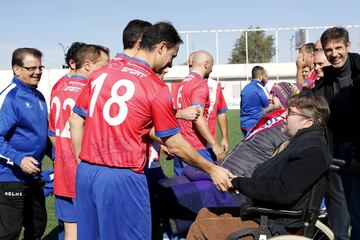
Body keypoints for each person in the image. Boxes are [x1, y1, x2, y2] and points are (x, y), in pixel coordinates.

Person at [69, 21, 234, 240]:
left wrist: (82, 161)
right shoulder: (154, 86)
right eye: (172, 56)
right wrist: (211, 169)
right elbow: (175, 143)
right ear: (161, 47)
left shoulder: (101, 74)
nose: (170, 64)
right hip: (123, 176)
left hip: (87, 173)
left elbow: (75, 119)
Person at [157, 82, 300, 237]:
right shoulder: (270, 119)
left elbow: (273, 169)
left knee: (172, 196)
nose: (269, 97)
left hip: (234, 183)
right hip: (224, 171)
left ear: (286, 101)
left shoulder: (287, 129)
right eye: (271, 93)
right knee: (163, 188)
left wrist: (241, 183)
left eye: (274, 95)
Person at [186, 92, 332, 240]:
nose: (284, 116)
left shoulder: (312, 151)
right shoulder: (303, 144)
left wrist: (239, 184)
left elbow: (283, 193)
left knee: (200, 230)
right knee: (205, 213)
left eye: (290, 112)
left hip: (276, 224)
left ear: (308, 122)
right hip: (266, 213)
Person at [48, 44, 109, 240]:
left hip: (62, 170)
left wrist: (64, 155)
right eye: (104, 65)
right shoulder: (90, 89)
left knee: (70, 230)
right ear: (89, 65)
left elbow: (51, 132)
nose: (108, 70)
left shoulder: (58, 86)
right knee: (93, 229)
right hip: (84, 171)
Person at [313, 26, 360, 240]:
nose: (334, 54)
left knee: (358, 208)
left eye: (338, 48)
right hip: (336, 150)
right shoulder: (327, 78)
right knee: (339, 210)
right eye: (328, 50)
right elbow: (312, 104)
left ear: (348, 46)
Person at [0, 48, 49, 240]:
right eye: (31, 68)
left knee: (37, 226)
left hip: (34, 176)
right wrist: (19, 159)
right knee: (9, 233)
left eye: (40, 67)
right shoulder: (10, 97)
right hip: (10, 177)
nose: (37, 72)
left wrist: (60, 158)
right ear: (16, 69)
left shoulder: (39, 96)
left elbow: (41, 136)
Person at [173, 50, 224, 176]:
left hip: (180, 143)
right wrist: (214, 144)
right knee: (203, 189)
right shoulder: (199, 84)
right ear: (206, 64)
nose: (212, 69)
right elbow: (197, 117)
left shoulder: (182, 83)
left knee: (180, 188)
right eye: (212, 65)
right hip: (196, 146)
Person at [240, 65, 275, 137]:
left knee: (248, 146)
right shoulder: (261, 88)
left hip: (244, 125)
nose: (267, 79)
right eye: (265, 76)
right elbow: (268, 106)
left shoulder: (245, 88)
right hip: (255, 125)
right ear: (260, 77)